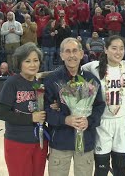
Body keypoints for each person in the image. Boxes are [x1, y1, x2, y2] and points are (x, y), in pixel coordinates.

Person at [44, 37, 105, 176]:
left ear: (81, 53)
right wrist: (65, 120)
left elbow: (99, 107)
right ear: (61, 55)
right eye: (67, 51)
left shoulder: (91, 80)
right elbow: (45, 110)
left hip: (86, 141)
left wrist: (89, 121)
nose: (71, 55)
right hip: (60, 141)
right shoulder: (52, 80)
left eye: (75, 51)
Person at [81, 35, 125, 176]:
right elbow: (73, 71)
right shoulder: (93, 67)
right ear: (105, 49)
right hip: (102, 123)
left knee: (120, 169)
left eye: (121, 48)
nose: (118, 52)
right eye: (114, 48)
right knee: (101, 169)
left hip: (122, 123)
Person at [0, 42, 48, 176]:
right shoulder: (12, 83)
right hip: (17, 141)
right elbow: (1, 113)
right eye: (28, 61)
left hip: (40, 141)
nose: (33, 64)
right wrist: (30, 118)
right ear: (19, 63)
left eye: (36, 60)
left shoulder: (40, 83)